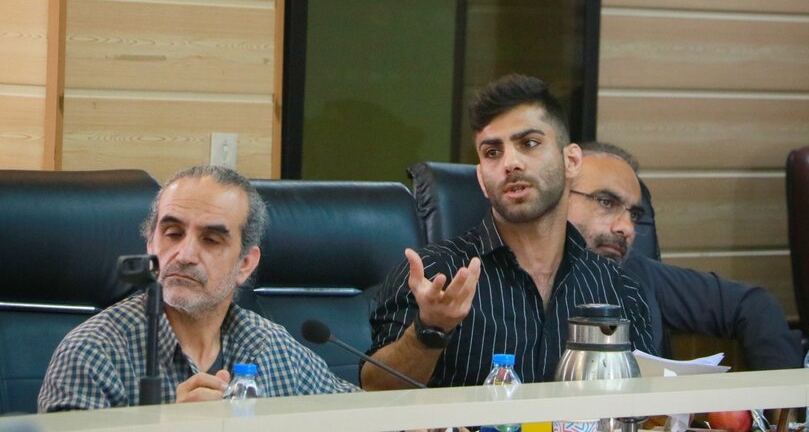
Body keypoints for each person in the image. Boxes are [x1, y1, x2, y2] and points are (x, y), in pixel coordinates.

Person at [363, 75, 653, 390]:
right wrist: (430, 329)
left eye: (529, 144)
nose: (510, 163)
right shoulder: (434, 275)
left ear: (571, 161)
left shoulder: (617, 289)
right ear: (481, 179)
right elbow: (374, 391)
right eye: (492, 152)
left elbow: (645, 403)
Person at [38, 165, 356, 411]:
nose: (185, 255)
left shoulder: (271, 347)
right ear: (150, 244)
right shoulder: (93, 353)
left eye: (211, 239)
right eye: (173, 234)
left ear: (245, 263)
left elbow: (360, 416)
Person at [567, 141, 802, 370]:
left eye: (635, 215)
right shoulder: (544, 283)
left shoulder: (637, 274)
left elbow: (755, 306)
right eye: (607, 203)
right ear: (559, 197)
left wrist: (779, 395)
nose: (627, 228)